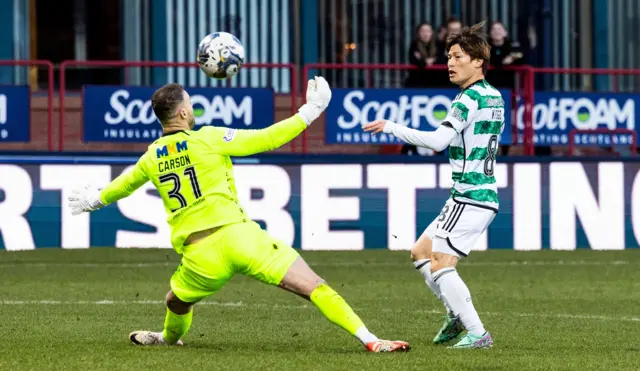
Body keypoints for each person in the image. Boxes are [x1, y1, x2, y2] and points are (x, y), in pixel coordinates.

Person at [68, 77, 410, 353]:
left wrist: (92, 201)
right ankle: (370, 339)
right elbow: (267, 138)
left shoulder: (151, 157)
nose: (192, 106)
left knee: (176, 301)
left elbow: (122, 186)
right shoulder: (209, 139)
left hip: (201, 256)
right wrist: (311, 110)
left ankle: (169, 339)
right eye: (189, 102)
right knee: (313, 286)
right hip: (240, 237)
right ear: (183, 114)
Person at [362, 21, 502, 349]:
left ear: (478, 61)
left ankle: (477, 332)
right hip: (476, 194)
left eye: (457, 56)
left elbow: (439, 141)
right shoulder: (493, 95)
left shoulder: (468, 99)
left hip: (471, 195)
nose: (450, 63)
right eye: (448, 57)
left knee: (440, 263)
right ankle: (456, 315)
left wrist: (392, 127)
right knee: (420, 252)